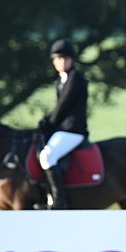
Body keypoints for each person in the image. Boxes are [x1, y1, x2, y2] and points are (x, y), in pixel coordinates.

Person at [37, 39, 89, 210]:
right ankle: (48, 197)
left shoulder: (76, 78)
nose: (61, 62)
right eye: (58, 59)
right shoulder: (60, 80)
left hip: (72, 130)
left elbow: (64, 105)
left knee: (47, 156)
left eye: (64, 59)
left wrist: (49, 122)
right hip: (63, 129)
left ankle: (60, 201)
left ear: (71, 60)